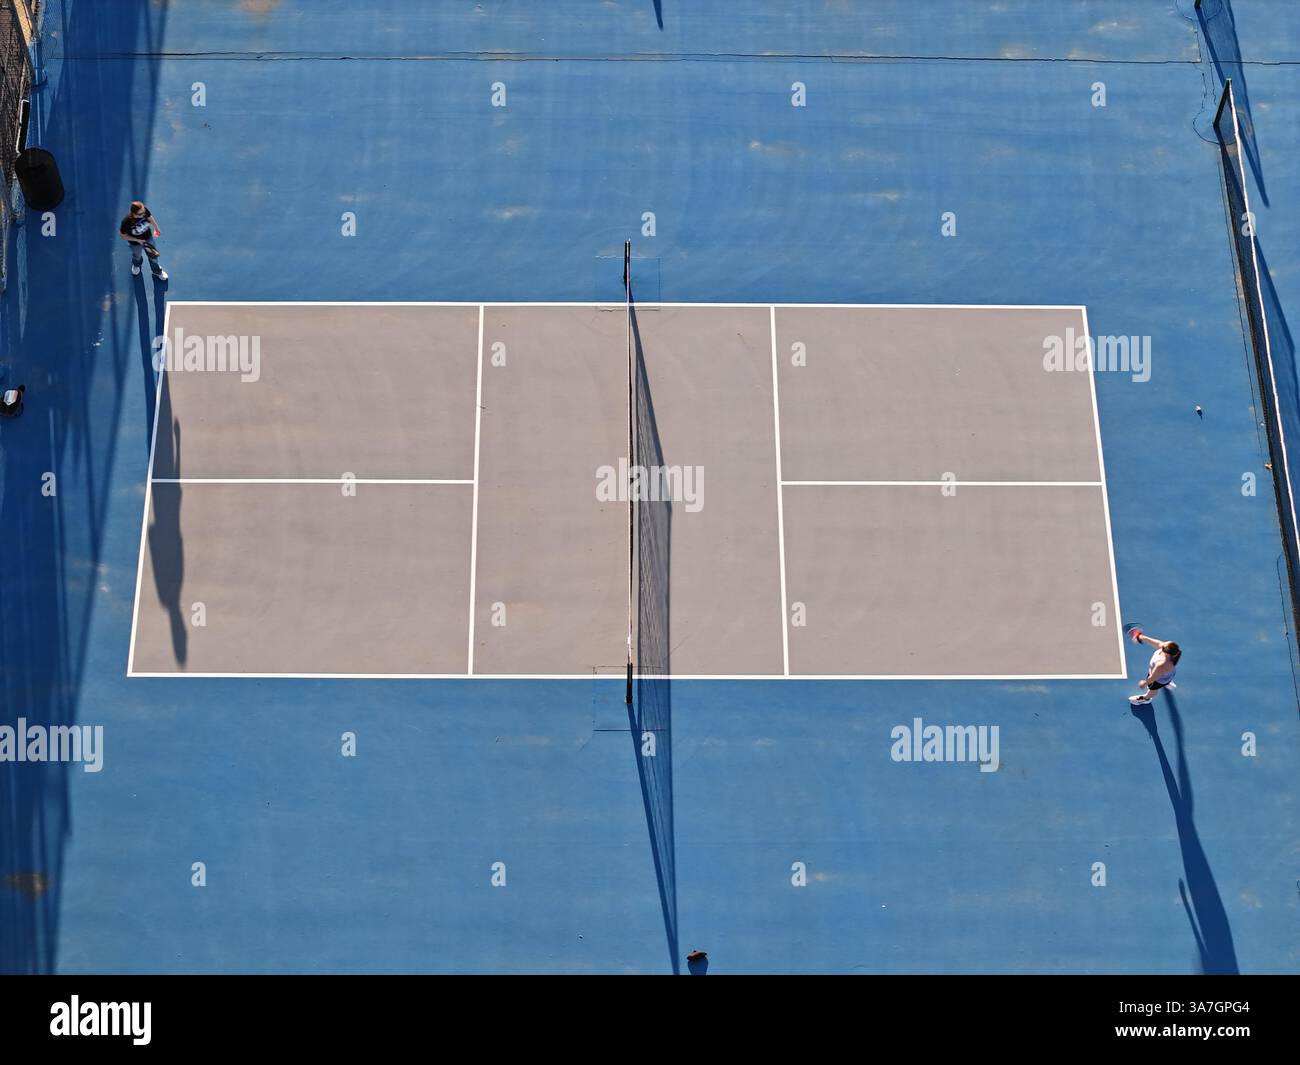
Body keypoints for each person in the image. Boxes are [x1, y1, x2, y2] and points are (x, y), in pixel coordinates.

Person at [119, 200, 168, 281]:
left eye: (143, 212)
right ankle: (136, 265)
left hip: (148, 238)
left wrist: (156, 227)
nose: (143, 215)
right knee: (137, 256)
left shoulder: (144, 211)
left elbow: (150, 217)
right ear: (133, 214)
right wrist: (137, 240)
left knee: (153, 256)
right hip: (135, 243)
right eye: (140, 214)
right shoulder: (126, 222)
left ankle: (156, 271)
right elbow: (123, 236)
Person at [1129, 632, 1181, 704]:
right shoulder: (1172, 653)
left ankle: (1146, 699)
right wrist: (1142, 637)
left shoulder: (1162, 665)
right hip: (1168, 675)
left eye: (1164, 645)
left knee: (1153, 689)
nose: (1162, 643)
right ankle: (1167, 682)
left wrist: (1144, 683)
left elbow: (1153, 678)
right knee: (1166, 679)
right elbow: (1157, 643)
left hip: (1158, 680)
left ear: (1167, 652)